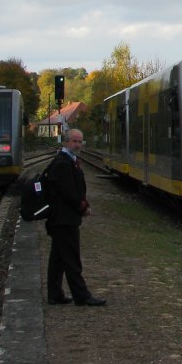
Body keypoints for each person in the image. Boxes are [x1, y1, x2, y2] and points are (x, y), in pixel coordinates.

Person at [45, 129, 106, 306]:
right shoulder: (63, 163)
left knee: (58, 258)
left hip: (62, 218)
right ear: (65, 143)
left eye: (80, 142)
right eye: (74, 141)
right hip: (64, 218)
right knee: (72, 259)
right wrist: (83, 207)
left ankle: (55, 295)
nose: (78, 145)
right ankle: (82, 296)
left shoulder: (67, 160)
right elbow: (68, 193)